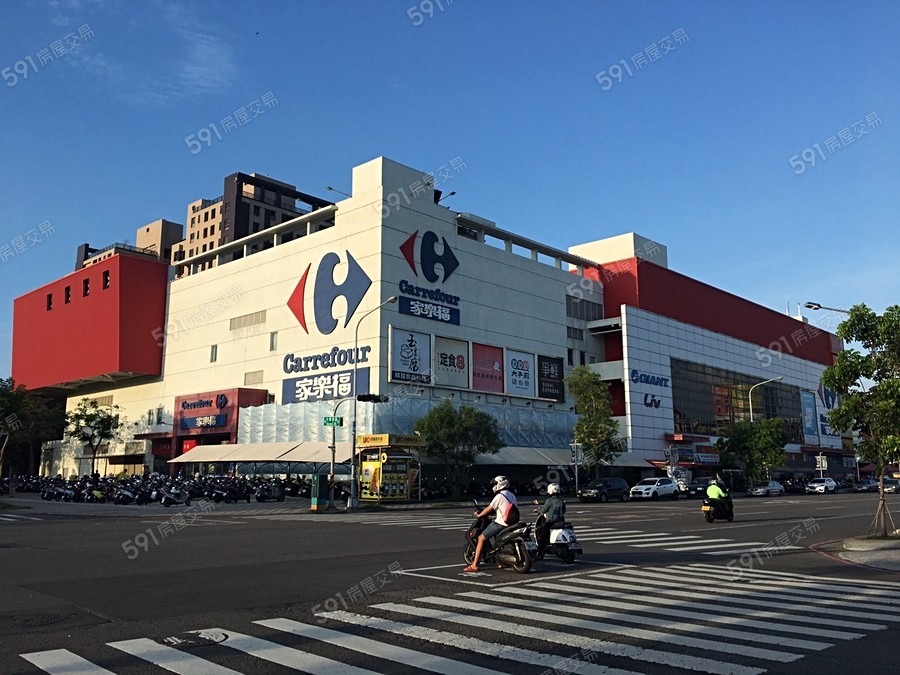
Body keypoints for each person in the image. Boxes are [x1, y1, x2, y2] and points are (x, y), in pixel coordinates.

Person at [464, 475, 517, 572]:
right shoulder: (512, 495)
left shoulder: (499, 496)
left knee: (481, 538)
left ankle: (474, 565)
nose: (494, 486)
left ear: (500, 484)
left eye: (495, 484)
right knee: (498, 541)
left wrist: (479, 515)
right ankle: (500, 562)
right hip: (511, 523)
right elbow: (504, 508)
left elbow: (489, 508)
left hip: (500, 523)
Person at [533, 482, 566, 557]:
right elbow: (564, 511)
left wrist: (537, 510)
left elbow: (544, 510)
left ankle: (540, 551)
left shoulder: (549, 500)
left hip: (551, 522)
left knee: (541, 536)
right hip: (561, 521)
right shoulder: (561, 501)